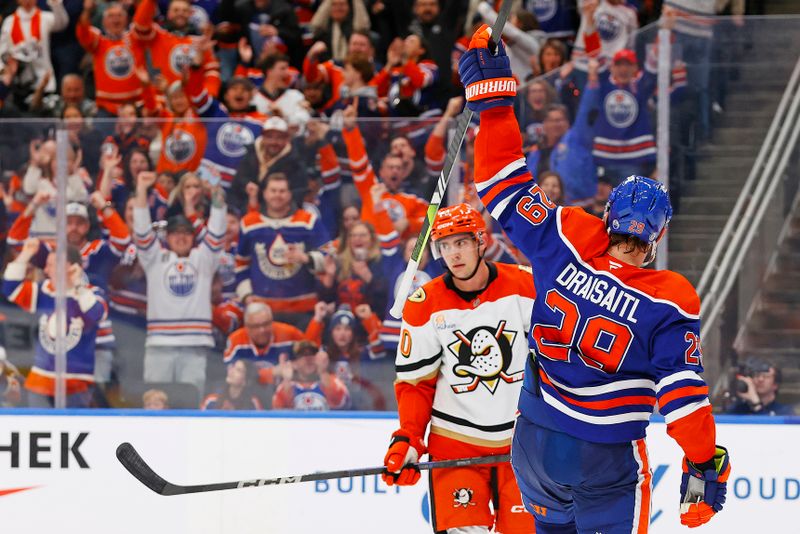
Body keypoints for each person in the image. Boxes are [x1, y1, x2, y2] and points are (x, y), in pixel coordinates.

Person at [459, 24, 731, 531]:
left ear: (607, 216)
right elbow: (684, 401)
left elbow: (501, 182)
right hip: (601, 459)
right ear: (658, 235)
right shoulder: (668, 299)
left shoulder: (567, 236)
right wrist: (703, 462)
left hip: (534, 445)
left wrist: (493, 103)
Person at [383, 203, 536, 534]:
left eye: (461, 242)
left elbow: (556, 359)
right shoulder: (424, 305)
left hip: (522, 443)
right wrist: (409, 437)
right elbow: (414, 383)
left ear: (481, 241)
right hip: (456, 443)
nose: (453, 253)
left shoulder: (524, 286)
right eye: (445, 245)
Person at [133, 170, 227, 394]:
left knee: (192, 402)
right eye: (175, 233)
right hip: (159, 344)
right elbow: (142, 232)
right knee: (155, 401)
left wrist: (216, 196)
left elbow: (217, 230)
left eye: (186, 232)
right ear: (167, 237)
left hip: (195, 344)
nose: (181, 237)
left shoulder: (204, 258)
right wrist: (141, 190)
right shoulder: (155, 259)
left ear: (193, 236)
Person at [3, 239, 107, 408]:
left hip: (76, 383)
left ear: (69, 267)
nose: (45, 270)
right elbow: (10, 288)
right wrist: (26, 254)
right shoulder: (44, 290)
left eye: (50, 265)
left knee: (74, 427)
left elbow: (96, 315)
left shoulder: (90, 293)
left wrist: (78, 284)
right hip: (40, 381)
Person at [234, 172, 330, 325]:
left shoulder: (308, 222)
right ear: (264, 194)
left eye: (282, 191)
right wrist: (246, 295)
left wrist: (307, 258)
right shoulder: (249, 223)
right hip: (262, 313)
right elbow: (240, 264)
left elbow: (329, 256)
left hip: (303, 311)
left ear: (290, 194)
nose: (277, 195)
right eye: (273, 191)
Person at [271, 339, 349, 410]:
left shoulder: (332, 380)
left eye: (312, 354)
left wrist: (322, 372)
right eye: (303, 355)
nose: (308, 359)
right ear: (294, 363)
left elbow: (339, 402)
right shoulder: (285, 386)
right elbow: (280, 411)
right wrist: (287, 380)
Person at [725, 356, 795, 416]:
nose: (760, 379)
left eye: (766, 376)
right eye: (757, 375)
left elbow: (769, 428)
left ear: (775, 385)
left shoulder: (784, 411)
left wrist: (756, 403)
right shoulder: (738, 409)